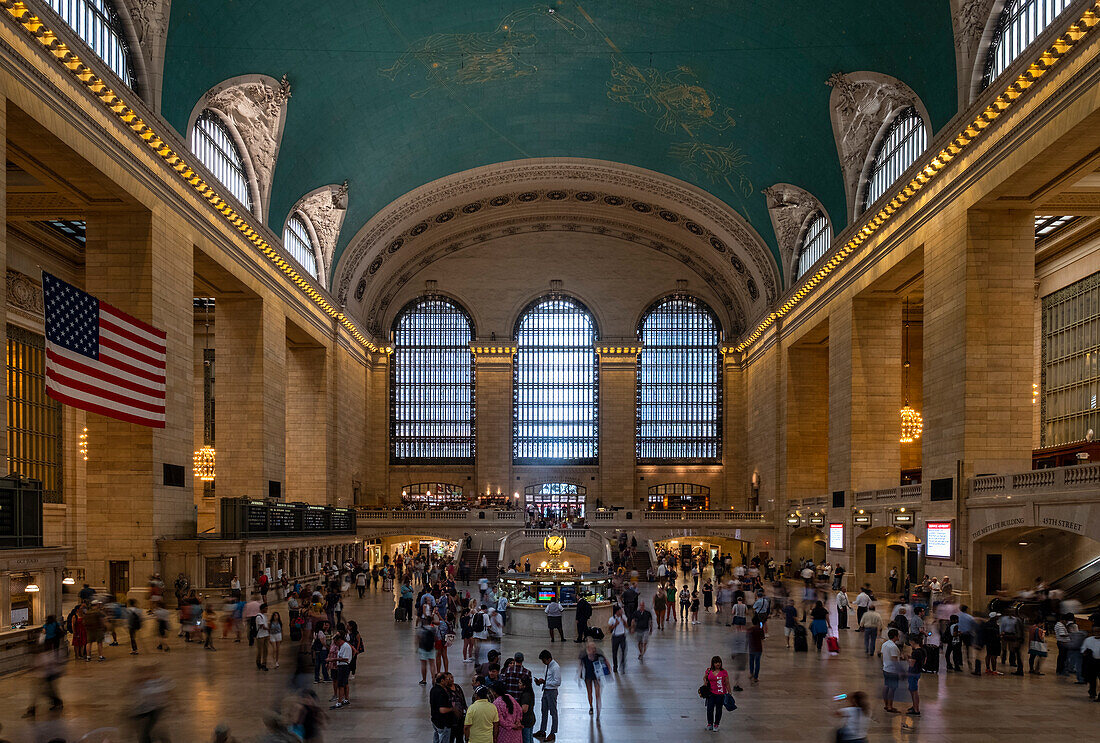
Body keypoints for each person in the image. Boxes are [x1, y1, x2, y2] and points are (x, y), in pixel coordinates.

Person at [533, 650, 560, 741]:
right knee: (544, 711)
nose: (543, 662)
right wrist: (541, 682)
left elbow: (558, 682)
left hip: (552, 692)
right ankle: (542, 730)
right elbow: (548, 679)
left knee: (553, 712)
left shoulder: (555, 667)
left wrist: (545, 682)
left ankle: (553, 733)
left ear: (549, 659)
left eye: (544, 660)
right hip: (546, 690)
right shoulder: (547, 666)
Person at [577, 639, 607, 718]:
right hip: (588, 676)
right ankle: (591, 706)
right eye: (591, 648)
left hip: (596, 676)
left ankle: (598, 709)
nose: (593, 650)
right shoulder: (583, 655)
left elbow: (605, 662)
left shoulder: (598, 654)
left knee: (598, 694)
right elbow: (580, 665)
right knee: (589, 692)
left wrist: (608, 672)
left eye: (594, 648)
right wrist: (579, 675)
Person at [702, 655, 730, 732]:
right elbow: (705, 677)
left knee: (718, 709)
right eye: (716, 662)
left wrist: (729, 692)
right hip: (711, 693)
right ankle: (710, 723)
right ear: (713, 663)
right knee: (709, 709)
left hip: (720, 694)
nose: (718, 664)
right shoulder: (708, 670)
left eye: (719, 662)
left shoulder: (724, 672)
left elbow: (727, 683)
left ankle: (716, 724)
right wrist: (705, 683)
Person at [881, 629, 903, 714]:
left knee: (886, 686)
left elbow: (883, 656)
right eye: (898, 635)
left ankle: (886, 704)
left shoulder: (885, 644)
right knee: (892, 689)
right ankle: (890, 706)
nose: (899, 636)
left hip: (886, 668)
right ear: (895, 636)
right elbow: (894, 660)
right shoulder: (893, 647)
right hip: (892, 670)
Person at [430, 672, 456, 743]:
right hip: (443, 722)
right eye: (446, 679)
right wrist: (453, 709)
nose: (448, 680)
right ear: (442, 681)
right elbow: (442, 710)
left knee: (436, 738)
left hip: (435, 720)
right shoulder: (441, 692)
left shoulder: (433, 689)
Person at [330, 632, 353, 709]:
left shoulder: (345, 646)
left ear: (339, 640)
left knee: (341, 685)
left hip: (344, 667)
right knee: (345, 683)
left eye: (336, 642)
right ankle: (346, 699)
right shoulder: (342, 646)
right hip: (342, 666)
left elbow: (345, 658)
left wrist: (333, 659)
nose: (335, 644)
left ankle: (340, 701)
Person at [906, 634, 925, 716]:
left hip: (913, 673)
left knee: (914, 691)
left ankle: (916, 709)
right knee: (913, 690)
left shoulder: (915, 652)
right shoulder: (923, 650)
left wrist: (907, 658)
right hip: (918, 672)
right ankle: (914, 706)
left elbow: (911, 664)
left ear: (913, 642)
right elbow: (924, 662)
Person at [1082, 624, 1100, 701]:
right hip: (1092, 662)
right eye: (1095, 631)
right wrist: (1086, 652)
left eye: (1099, 631)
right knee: (1092, 679)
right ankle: (1092, 692)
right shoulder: (1088, 640)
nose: (1097, 633)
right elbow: (1083, 650)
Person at [607, 605, 628, 672]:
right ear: (617, 611)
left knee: (623, 651)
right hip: (615, 637)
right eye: (620, 610)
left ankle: (623, 665)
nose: (621, 611)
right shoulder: (612, 619)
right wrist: (615, 624)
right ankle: (615, 666)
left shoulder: (623, 617)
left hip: (622, 636)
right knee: (614, 652)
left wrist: (624, 621)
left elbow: (627, 626)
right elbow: (609, 629)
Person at [517, 675, 537, 743]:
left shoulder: (525, 695)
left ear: (524, 685)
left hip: (526, 721)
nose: (518, 684)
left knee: (526, 740)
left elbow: (524, 709)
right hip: (531, 718)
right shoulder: (530, 693)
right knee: (530, 738)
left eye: (520, 683)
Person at [748, 618, 765, 683]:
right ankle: (756, 677)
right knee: (757, 662)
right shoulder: (760, 630)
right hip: (758, 648)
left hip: (751, 648)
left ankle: (751, 673)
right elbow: (763, 638)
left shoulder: (750, 630)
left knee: (751, 661)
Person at [255, 603, 270, 671]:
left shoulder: (264, 616)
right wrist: (269, 629)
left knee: (266, 650)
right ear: (262, 609)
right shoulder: (258, 617)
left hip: (266, 635)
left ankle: (264, 663)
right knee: (260, 650)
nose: (267, 610)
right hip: (260, 635)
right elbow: (262, 626)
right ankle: (258, 662)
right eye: (266, 608)